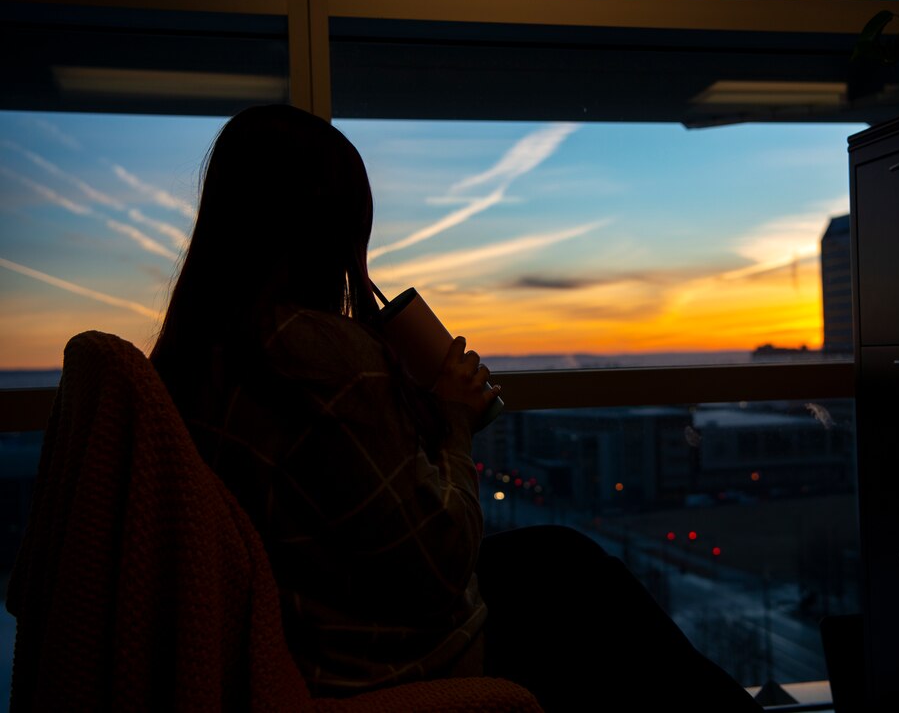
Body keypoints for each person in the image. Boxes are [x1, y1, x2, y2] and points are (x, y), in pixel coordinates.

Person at [151, 104, 762, 711]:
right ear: (332, 227)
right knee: (585, 589)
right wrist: (452, 422)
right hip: (386, 659)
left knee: (562, 559)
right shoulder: (319, 355)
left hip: (303, 634)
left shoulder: (195, 354)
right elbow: (442, 567)